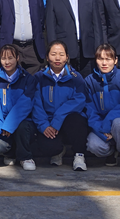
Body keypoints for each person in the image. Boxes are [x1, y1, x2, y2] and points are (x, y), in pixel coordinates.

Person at [32, 41, 90, 171]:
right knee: (48, 147)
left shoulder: (76, 77)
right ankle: (58, 151)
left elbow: (79, 100)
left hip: (67, 120)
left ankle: (79, 155)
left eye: (61, 54)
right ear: (47, 57)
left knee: (78, 120)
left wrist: (58, 117)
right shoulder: (39, 78)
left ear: (67, 57)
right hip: (48, 122)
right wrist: (44, 125)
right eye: (53, 54)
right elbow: (36, 104)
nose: (57, 58)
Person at [84, 44, 120, 172]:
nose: (104, 63)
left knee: (118, 123)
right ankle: (111, 153)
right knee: (93, 145)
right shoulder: (90, 81)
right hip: (102, 127)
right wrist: (100, 129)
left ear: (115, 60)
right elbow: (90, 110)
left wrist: (108, 123)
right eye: (100, 59)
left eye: (108, 59)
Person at [45, 0, 102, 76]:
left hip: (88, 49)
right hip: (65, 50)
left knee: (88, 82)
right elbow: (51, 28)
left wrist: (99, 48)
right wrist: (54, 51)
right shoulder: (53, 0)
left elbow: (97, 26)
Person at [0, 44, 37, 171]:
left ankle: (25, 157)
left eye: (10, 58)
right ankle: (10, 154)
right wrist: (0, 127)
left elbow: (25, 104)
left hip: (23, 122)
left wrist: (9, 125)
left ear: (17, 58)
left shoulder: (27, 79)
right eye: (3, 58)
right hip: (3, 123)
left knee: (23, 127)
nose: (7, 62)